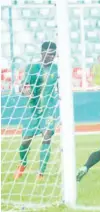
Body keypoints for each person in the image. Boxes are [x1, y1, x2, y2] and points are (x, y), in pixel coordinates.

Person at [14, 41, 59, 180]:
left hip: (48, 110)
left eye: (54, 54)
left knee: (47, 138)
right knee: (26, 140)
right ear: (42, 53)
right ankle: (23, 164)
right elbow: (23, 86)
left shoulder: (57, 68)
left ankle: (41, 172)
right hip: (32, 109)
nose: (51, 57)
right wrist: (24, 90)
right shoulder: (32, 68)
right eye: (49, 54)